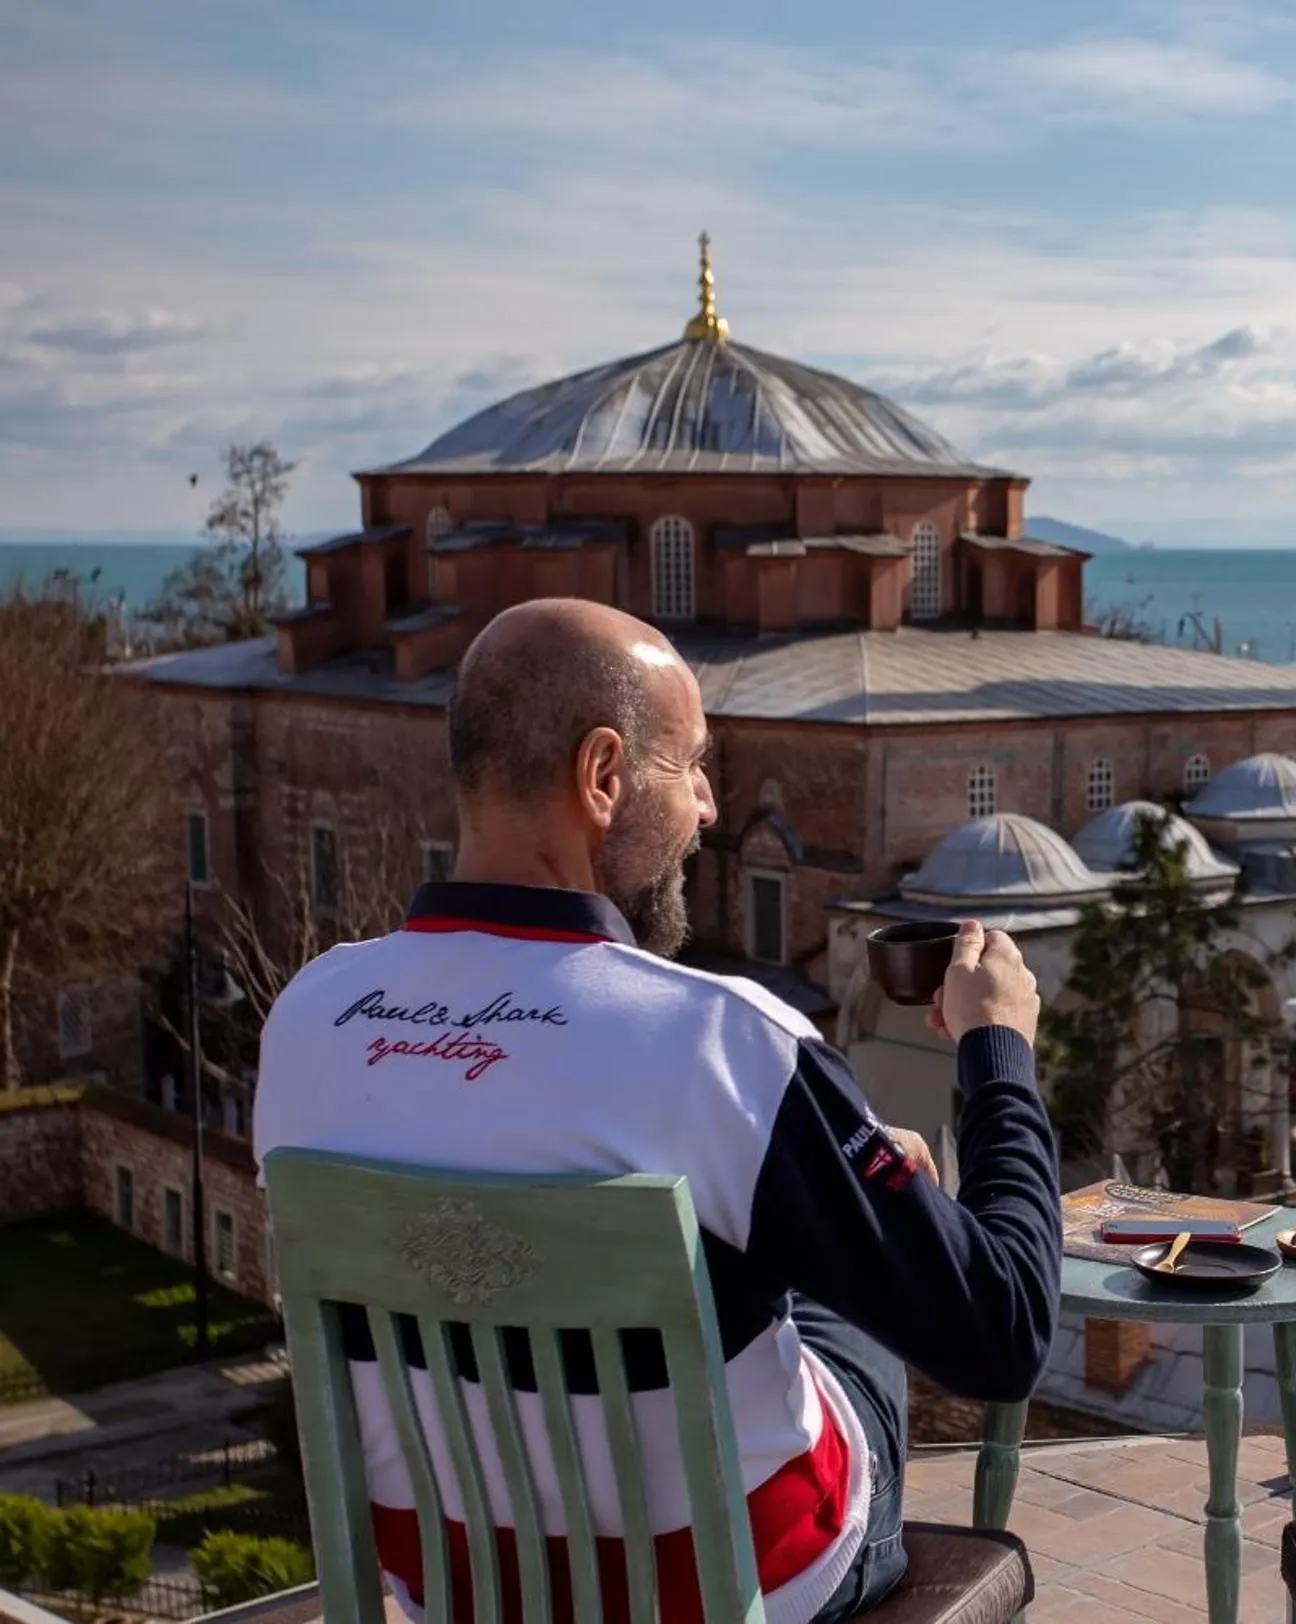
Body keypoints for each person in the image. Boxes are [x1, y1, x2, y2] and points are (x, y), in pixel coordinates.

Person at [252, 599, 1061, 1624]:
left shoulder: (309, 1018)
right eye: (690, 766)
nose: (711, 809)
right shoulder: (724, 1042)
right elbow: (1004, 1331)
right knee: (838, 1275)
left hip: (456, 1592)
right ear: (603, 776)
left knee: (785, 1231)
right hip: (729, 1589)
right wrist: (999, 1051)